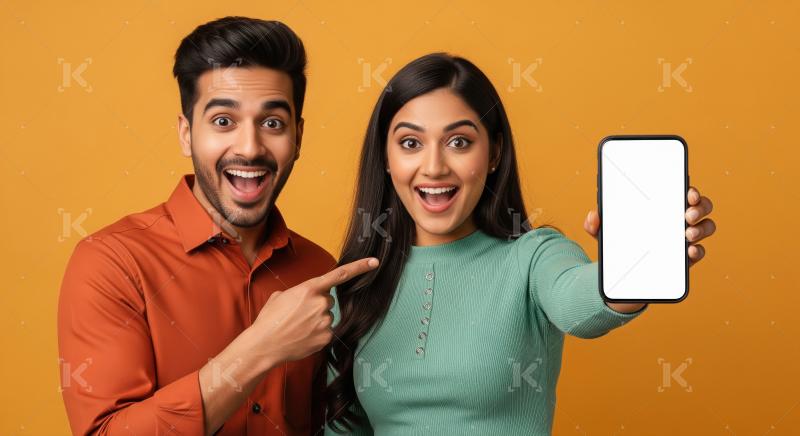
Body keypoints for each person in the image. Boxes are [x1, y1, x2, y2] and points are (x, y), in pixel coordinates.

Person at [325, 53, 716, 435]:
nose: (434, 167)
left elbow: (581, 305)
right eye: (411, 143)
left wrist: (631, 266)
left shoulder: (534, 257)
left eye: (459, 142)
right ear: (386, 156)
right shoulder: (355, 284)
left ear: (494, 152)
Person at [57, 17, 377, 435]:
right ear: (186, 134)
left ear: (297, 137)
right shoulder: (111, 263)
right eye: (224, 121)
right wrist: (261, 348)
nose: (250, 147)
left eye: (272, 123)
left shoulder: (319, 270)